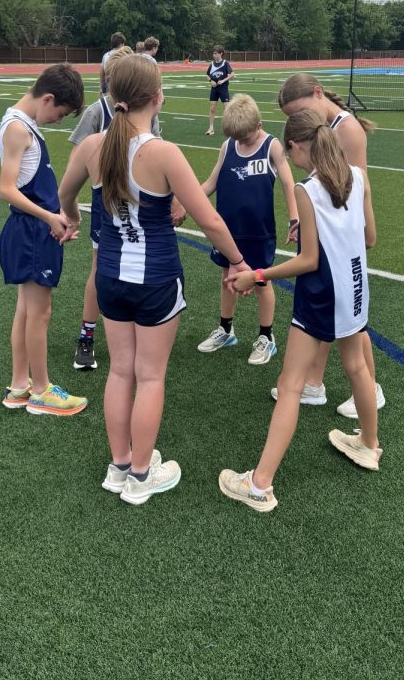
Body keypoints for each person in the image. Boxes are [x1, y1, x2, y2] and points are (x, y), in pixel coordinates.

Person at [59, 53, 251, 505]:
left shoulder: (93, 147)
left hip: (108, 277)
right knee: (149, 376)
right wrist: (239, 262)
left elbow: (64, 195)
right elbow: (212, 223)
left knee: (121, 371)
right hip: (157, 280)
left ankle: (119, 465)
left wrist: (68, 219)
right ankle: (142, 475)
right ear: (157, 98)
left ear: (112, 96)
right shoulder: (163, 153)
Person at [220, 109, 381, 512]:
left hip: (321, 293)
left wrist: (257, 276)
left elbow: (308, 261)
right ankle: (369, 444)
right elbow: (370, 238)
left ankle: (259, 484)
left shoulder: (307, 191)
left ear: (296, 146)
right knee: (358, 368)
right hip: (357, 287)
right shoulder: (358, 177)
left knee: (291, 385)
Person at [274, 73, 385, 422]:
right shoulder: (325, 129)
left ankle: (369, 388)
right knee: (332, 319)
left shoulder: (345, 129)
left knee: (351, 326)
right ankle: (315, 383)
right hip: (336, 243)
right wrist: (306, 225)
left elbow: (349, 192)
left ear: (318, 94)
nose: (295, 122)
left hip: (345, 245)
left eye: (300, 111)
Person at [0, 64, 88, 417]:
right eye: (60, 113)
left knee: (26, 309)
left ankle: (20, 385)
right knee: (40, 313)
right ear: (47, 98)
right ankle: (41, 391)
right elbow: (6, 190)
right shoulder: (19, 129)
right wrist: (51, 217)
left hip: (33, 228)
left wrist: (58, 217)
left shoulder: (19, 123)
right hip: (32, 231)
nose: (58, 120)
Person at [68, 48, 161, 371]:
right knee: (101, 268)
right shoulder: (97, 113)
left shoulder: (148, 113)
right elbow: (78, 163)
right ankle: (87, 335)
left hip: (144, 208)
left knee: (141, 269)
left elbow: (157, 156)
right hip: (108, 206)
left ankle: (140, 337)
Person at [196, 94, 299, 365]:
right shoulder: (228, 145)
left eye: (245, 137)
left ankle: (267, 336)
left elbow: (289, 184)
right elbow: (211, 183)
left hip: (259, 231)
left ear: (258, 125)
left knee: (262, 281)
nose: (241, 142)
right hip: (228, 232)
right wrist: (186, 201)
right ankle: (226, 330)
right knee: (226, 279)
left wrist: (294, 218)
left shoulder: (271, 146)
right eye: (237, 138)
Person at [205, 45, 233, 136]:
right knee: (212, 108)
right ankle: (211, 128)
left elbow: (232, 74)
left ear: (221, 54)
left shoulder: (225, 63)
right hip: (214, 89)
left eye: (216, 53)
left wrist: (223, 80)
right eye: (213, 53)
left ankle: (230, 128)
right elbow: (207, 75)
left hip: (223, 88)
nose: (214, 55)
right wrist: (211, 81)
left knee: (227, 108)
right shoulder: (212, 64)